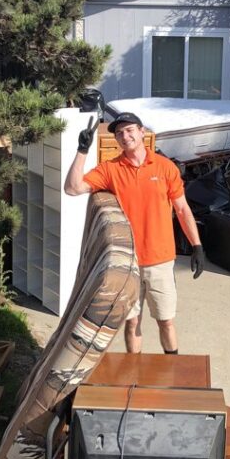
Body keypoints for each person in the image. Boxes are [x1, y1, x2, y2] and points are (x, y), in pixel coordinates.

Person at [64, 111, 204, 354]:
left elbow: (182, 208)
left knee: (166, 321)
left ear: (142, 132)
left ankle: (172, 366)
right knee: (132, 323)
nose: (124, 136)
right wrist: (82, 150)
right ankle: (135, 375)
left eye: (129, 130)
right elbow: (72, 188)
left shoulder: (165, 167)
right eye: (119, 133)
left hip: (160, 260)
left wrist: (197, 246)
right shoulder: (111, 169)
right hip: (128, 263)